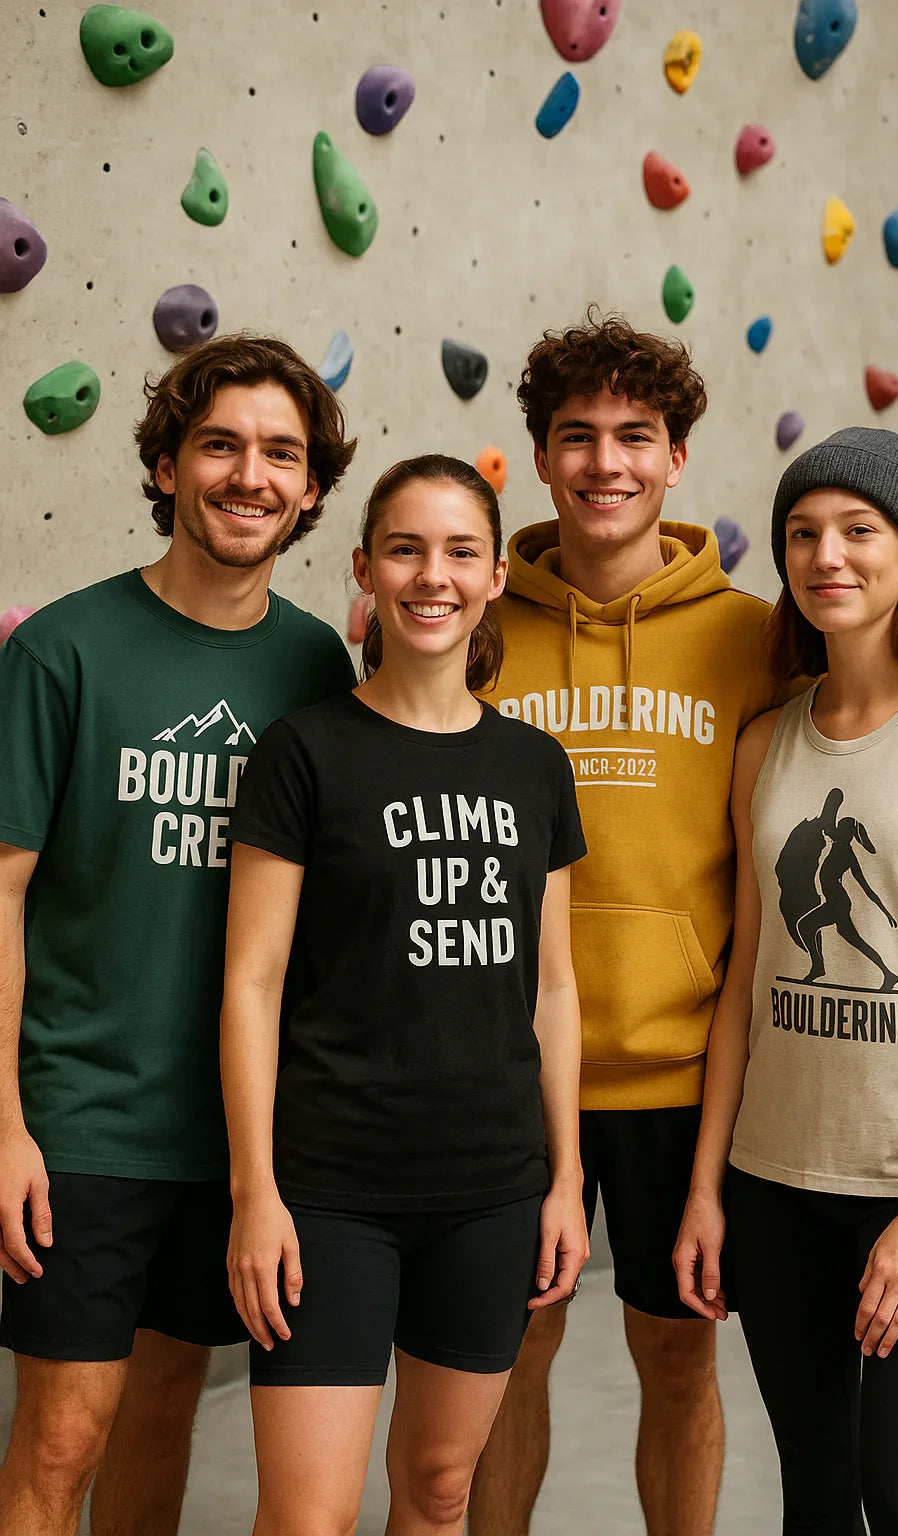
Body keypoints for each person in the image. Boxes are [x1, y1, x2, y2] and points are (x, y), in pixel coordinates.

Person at [0, 334, 356, 1536]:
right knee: (61, 1438)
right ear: (165, 465)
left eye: (280, 454)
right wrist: (3, 1125)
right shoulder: (61, 649)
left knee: (162, 1420)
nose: (249, 475)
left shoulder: (317, 664)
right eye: (219, 444)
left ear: (311, 492)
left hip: (240, 1136)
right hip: (82, 1122)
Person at [221, 454, 589, 1536]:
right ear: (367, 570)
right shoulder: (305, 753)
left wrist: (563, 1179)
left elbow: (554, 986)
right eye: (407, 549)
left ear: (489, 583)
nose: (433, 575)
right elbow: (250, 982)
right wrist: (256, 1192)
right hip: (328, 1192)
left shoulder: (534, 765)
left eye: (460, 552)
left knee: (437, 1492)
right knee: (307, 1518)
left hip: (487, 1188)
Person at [470, 314, 789, 1536]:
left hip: (678, 1081)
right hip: (504, 1074)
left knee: (675, 1362)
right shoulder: (481, 625)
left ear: (676, 458)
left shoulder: (756, 639)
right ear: (541, 458)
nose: (606, 462)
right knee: (505, 1360)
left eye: (634, 438)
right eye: (577, 437)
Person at [675, 427, 898, 1535]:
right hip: (776, 1182)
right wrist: (705, 1188)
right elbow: (741, 984)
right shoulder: (764, 744)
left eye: (857, 531)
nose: (827, 554)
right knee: (816, 1499)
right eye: (801, 534)